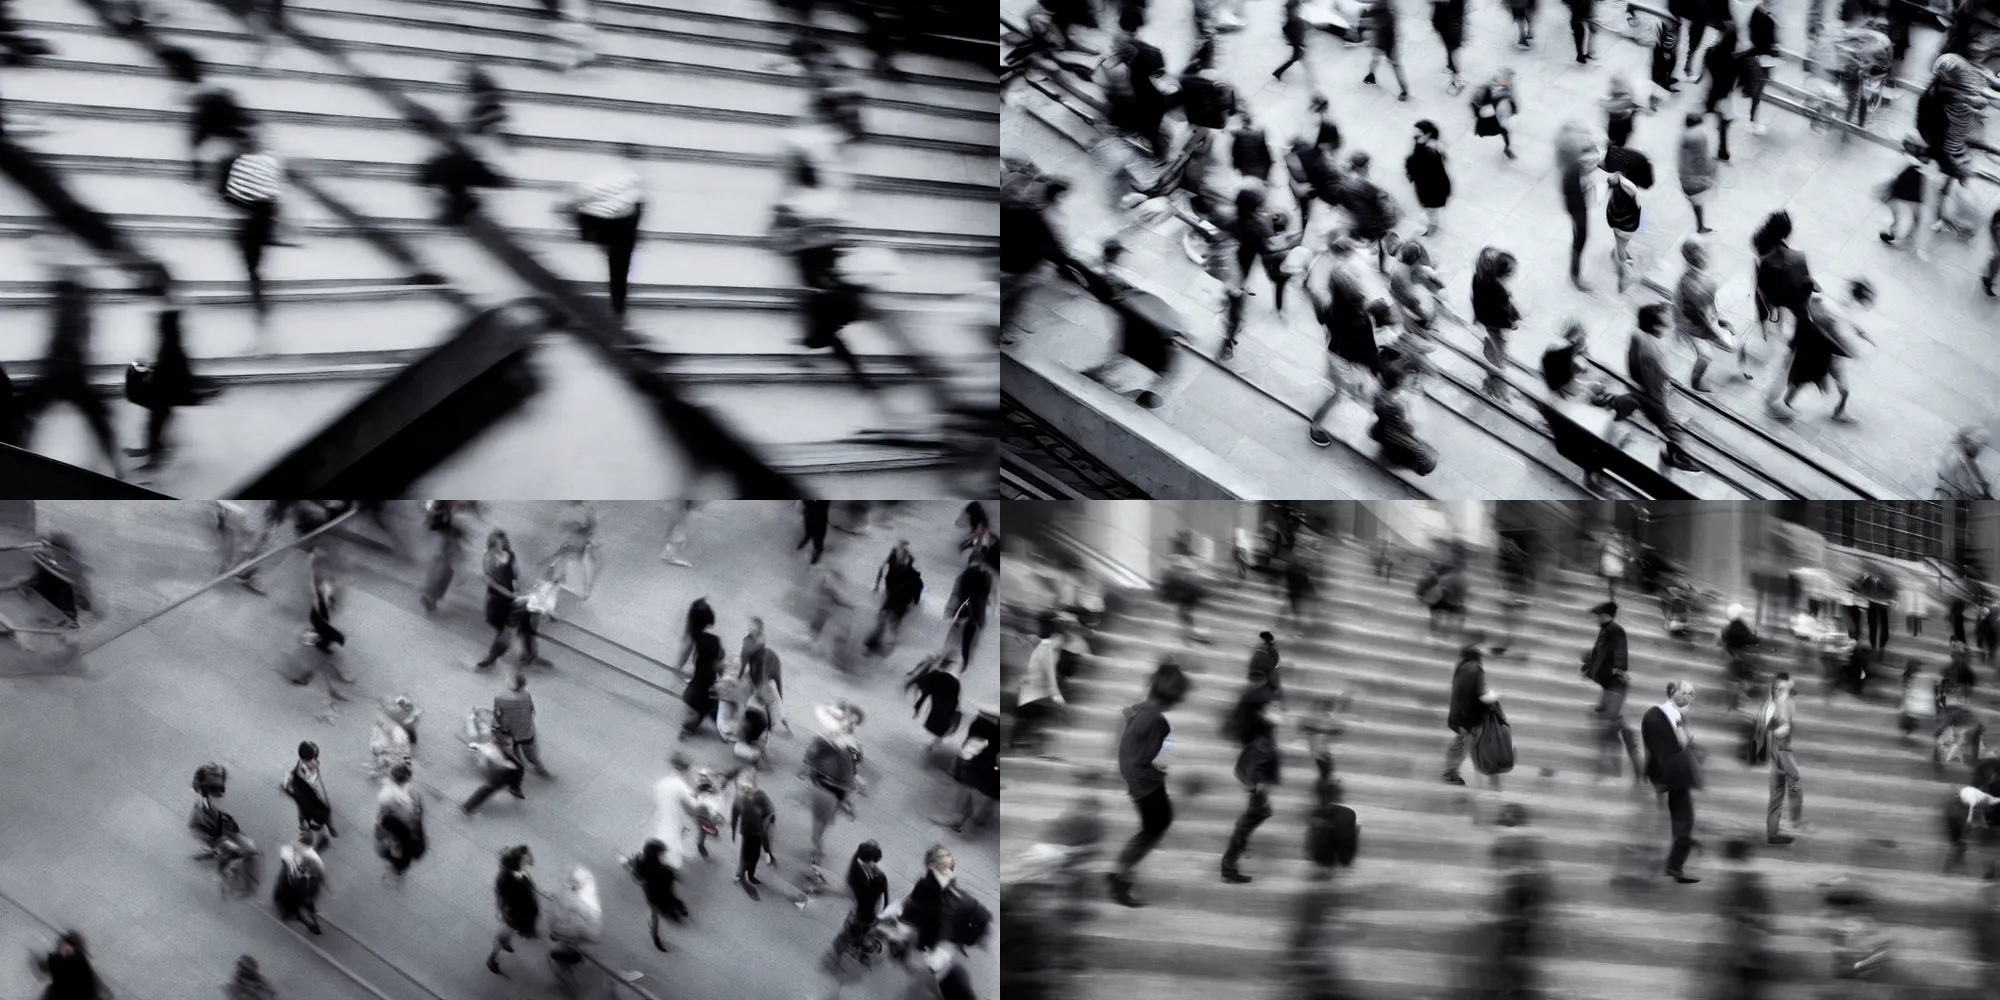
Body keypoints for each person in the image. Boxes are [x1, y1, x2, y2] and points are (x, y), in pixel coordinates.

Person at [28, 246, 124, 478]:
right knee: (99, 420)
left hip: (64, 373)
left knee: (28, 412)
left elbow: (67, 340)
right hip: (70, 374)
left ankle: (113, 463)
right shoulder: (77, 308)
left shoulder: (71, 308)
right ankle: (113, 464)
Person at [1108, 661, 1188, 907]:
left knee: (1153, 827)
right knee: (1154, 827)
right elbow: (1149, 758)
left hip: (1137, 782)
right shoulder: (1158, 721)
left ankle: (1122, 869)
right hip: (1146, 785)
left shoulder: (1140, 710)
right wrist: (1161, 766)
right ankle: (1119, 875)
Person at [1768, 282, 1876, 423]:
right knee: (1806, 380)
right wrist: (1853, 350)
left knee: (1806, 382)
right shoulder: (1838, 311)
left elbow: (1841, 323)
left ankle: (1788, 404)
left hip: (1825, 352)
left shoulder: (1837, 306)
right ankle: (1784, 404)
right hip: (1825, 354)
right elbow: (1839, 334)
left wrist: (1859, 332)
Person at [1306, 237, 1378, 445]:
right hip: (1345, 359)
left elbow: (1322, 317)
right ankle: (1316, 424)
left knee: (1343, 389)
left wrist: (1315, 299)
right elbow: (1368, 350)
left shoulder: (1332, 307)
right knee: (1338, 393)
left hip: (1334, 352)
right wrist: (1375, 367)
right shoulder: (1360, 319)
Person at [125, 282, 203, 472]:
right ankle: (157, 449)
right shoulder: (169, 327)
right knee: (157, 414)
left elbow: (170, 354)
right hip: (168, 375)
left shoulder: (170, 329)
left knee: (156, 414)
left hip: (169, 377)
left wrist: (152, 371)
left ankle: (156, 454)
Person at [217, 133, 284, 344]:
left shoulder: (240, 167)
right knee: (254, 270)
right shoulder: (265, 169)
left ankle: (261, 318)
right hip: (260, 224)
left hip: (251, 226)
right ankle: (261, 312)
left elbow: (231, 198)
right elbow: (273, 203)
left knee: (253, 270)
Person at [562, 145, 644, 318]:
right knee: (619, 270)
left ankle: (618, 308)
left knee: (619, 268)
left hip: (614, 222)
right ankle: (618, 308)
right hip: (618, 222)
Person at [1222, 667, 1282, 882]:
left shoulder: (1257, 713)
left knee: (1259, 812)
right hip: (1255, 772)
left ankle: (1236, 853)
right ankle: (1229, 865)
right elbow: (1260, 754)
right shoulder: (1262, 728)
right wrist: (1259, 782)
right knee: (1256, 814)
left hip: (1253, 769)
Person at [1627, 303, 1702, 472]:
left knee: (1669, 426)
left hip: (1647, 390)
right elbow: (1653, 387)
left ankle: (1673, 450)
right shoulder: (1649, 354)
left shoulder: (1638, 336)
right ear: (1654, 326)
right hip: (1651, 397)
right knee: (1673, 431)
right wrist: (1661, 405)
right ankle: (1678, 459)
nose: (1668, 326)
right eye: (1664, 323)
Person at [1641, 680, 1703, 883]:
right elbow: (1679, 743)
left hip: (1671, 776)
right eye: (1684, 692)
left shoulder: (1672, 715)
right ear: (1671, 692)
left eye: (1691, 694)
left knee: (1683, 820)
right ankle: (1674, 866)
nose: (1688, 697)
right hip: (1670, 775)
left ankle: (1675, 864)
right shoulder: (1658, 714)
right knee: (1685, 820)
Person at [1581, 601, 1644, 781]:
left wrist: (1619, 668)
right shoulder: (1606, 630)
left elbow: (1619, 651)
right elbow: (1600, 655)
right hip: (1610, 685)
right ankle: (1629, 763)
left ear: (1606, 615)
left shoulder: (1614, 630)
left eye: (1599, 615)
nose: (1597, 619)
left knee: (1608, 722)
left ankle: (1611, 765)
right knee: (1606, 718)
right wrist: (1591, 667)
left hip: (1616, 685)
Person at [1675, 238, 1739, 392]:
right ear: (1692, 259)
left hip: (1698, 319)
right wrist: (1720, 332)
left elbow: (1709, 309)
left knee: (1730, 344)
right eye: (1701, 254)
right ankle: (1695, 383)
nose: (1705, 256)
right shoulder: (1696, 286)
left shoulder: (1695, 279)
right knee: (1705, 356)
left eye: (1704, 252)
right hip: (1692, 326)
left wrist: (1720, 322)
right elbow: (1706, 318)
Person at [805, 704, 864, 862]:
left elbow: (853, 771)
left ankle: (817, 849)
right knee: (820, 826)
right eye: (846, 718)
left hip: (833, 791)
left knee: (821, 826)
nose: (848, 723)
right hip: (826, 788)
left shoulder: (854, 747)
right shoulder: (827, 739)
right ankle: (817, 848)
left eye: (852, 722)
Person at [1443, 641, 1501, 787]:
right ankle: (1452, 772)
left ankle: (1451, 770)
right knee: (1469, 744)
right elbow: (1480, 692)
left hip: (1458, 713)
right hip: (1468, 716)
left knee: (1461, 743)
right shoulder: (1476, 670)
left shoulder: (1462, 667)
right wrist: (1491, 698)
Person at [1758, 673, 1807, 845]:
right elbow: (1780, 731)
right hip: (1781, 752)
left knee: (1777, 794)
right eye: (1782, 688)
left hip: (1775, 753)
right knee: (1795, 780)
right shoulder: (1776, 705)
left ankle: (1773, 833)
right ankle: (1794, 820)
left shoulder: (1773, 703)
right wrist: (1783, 726)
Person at [1010, 617, 1063, 756]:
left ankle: (1023, 744)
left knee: (1027, 719)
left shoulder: (1045, 645)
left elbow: (1049, 672)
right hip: (1036, 690)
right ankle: (1028, 746)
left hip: (1034, 690)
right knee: (1030, 719)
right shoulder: (1045, 645)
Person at [486, 845, 539, 976]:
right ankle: (492, 959)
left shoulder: (518, 872)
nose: (527, 861)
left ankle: (507, 942)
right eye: (523, 860)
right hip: (513, 916)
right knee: (503, 936)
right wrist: (505, 912)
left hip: (520, 913)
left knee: (508, 934)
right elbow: (505, 898)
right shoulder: (507, 880)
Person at [624, 839, 685, 951]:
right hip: (655, 892)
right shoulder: (643, 865)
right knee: (656, 914)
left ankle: (678, 910)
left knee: (662, 907)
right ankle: (655, 936)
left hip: (658, 888)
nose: (662, 855)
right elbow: (638, 878)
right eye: (660, 852)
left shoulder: (647, 861)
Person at [677, 599, 724, 739]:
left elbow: (684, 655)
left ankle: (691, 726)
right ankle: (709, 715)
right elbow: (720, 657)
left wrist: (678, 667)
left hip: (699, 684)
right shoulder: (714, 640)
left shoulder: (694, 637)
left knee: (696, 706)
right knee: (705, 703)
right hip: (708, 681)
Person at [730, 770, 778, 899]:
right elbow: (734, 816)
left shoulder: (760, 796)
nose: (745, 789)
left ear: (753, 785)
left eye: (748, 786)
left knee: (755, 857)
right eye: (742, 786)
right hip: (746, 833)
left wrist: (768, 825)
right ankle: (741, 876)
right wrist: (733, 831)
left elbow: (770, 811)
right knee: (745, 858)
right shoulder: (739, 799)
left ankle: (751, 876)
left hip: (758, 834)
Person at [374, 762, 425, 881]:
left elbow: (383, 815)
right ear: (406, 779)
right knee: (400, 850)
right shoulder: (411, 795)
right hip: (405, 829)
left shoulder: (387, 794)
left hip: (398, 829)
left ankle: (397, 867)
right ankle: (398, 868)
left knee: (397, 850)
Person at [272, 832, 328, 934]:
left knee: (293, 908)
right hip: (304, 886)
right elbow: (319, 876)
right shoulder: (313, 858)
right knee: (308, 904)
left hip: (293, 887)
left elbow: (286, 865)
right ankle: (313, 921)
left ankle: (308, 923)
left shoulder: (291, 851)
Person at [281, 741, 335, 844]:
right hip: (307, 794)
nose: (315, 762)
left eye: (314, 758)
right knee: (305, 812)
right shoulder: (300, 770)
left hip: (313, 790)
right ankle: (304, 825)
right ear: (304, 759)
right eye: (311, 759)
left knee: (321, 810)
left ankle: (323, 826)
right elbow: (295, 777)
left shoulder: (308, 761)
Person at [1405, 120, 1450, 236]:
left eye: (1418, 134)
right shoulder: (1424, 146)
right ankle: (1433, 221)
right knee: (1430, 207)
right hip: (1427, 184)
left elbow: (1423, 167)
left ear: (1427, 135)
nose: (1414, 136)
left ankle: (1434, 223)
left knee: (1430, 207)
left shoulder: (1430, 151)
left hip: (1430, 187)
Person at [1361, 0, 1410, 100]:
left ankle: (1404, 90)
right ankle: (1371, 76)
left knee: (1391, 61)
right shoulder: (1382, 9)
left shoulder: (1382, 10)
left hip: (1386, 34)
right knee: (1379, 57)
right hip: (1383, 33)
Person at [34, 931, 104, 1000]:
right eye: (63, 947)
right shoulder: (56, 960)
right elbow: (47, 967)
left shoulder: (79, 961)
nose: (65, 949)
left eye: (69, 947)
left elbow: (92, 983)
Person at [1678, 114, 1717, 235]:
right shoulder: (1698, 137)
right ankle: (1700, 227)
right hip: (1693, 180)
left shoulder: (1686, 137)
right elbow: (1703, 159)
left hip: (1685, 179)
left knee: (1696, 203)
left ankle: (1700, 226)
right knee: (1697, 202)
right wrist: (1710, 177)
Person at [1469, 70, 1519, 159]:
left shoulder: (1493, 87)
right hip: (1494, 118)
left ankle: (1507, 147)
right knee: (1505, 132)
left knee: (1504, 132)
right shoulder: (1502, 100)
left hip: (1492, 113)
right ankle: (1507, 148)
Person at [1431, 0, 1466, 92]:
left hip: (1451, 19)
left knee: (1452, 48)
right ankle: (1452, 67)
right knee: (1450, 47)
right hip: (1445, 17)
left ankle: (1458, 78)